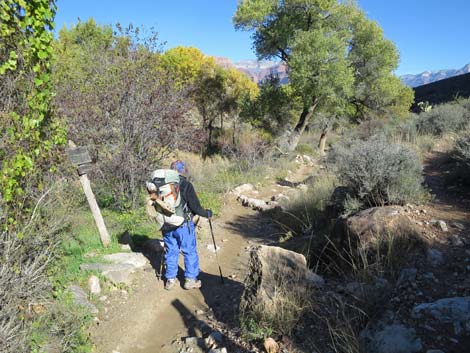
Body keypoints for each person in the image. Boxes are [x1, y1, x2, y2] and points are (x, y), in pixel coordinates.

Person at [149, 160, 212, 290]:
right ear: (183, 170)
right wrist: (207, 213)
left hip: (166, 225)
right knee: (189, 251)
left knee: (171, 251)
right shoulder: (186, 185)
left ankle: (170, 279)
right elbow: (195, 207)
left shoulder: (161, 186)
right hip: (183, 224)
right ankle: (190, 279)